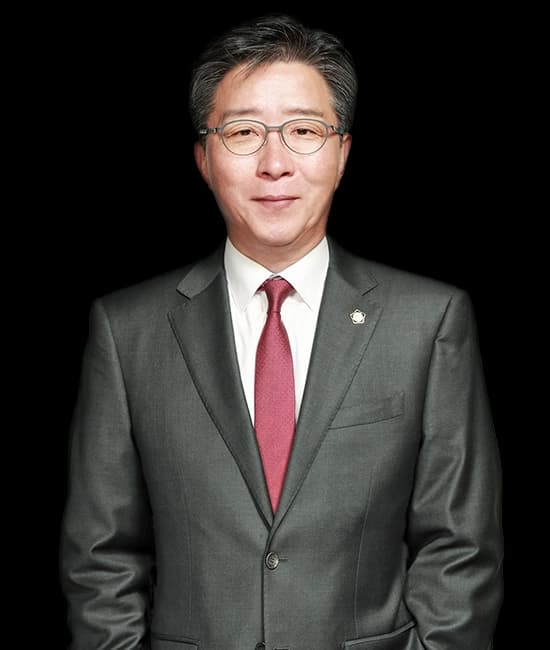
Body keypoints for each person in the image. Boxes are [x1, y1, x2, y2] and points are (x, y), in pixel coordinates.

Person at [60, 13, 504, 650]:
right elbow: (101, 558)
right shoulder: (127, 331)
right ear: (204, 157)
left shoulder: (428, 322)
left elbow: (460, 548)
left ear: (342, 153)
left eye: (303, 131)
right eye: (243, 132)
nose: (275, 163)